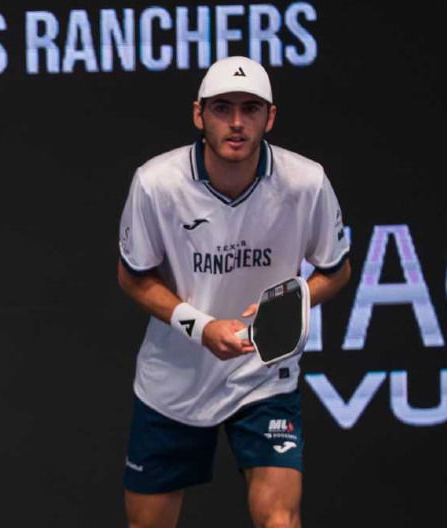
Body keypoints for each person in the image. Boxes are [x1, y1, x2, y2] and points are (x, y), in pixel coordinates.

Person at [116, 56, 352, 528]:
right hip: (174, 380)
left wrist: (290, 304)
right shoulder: (156, 184)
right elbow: (133, 278)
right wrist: (201, 328)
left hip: (263, 373)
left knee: (280, 521)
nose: (237, 122)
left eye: (251, 108)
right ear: (199, 113)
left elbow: (336, 270)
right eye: (223, 108)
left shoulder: (306, 182)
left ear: (270, 117)